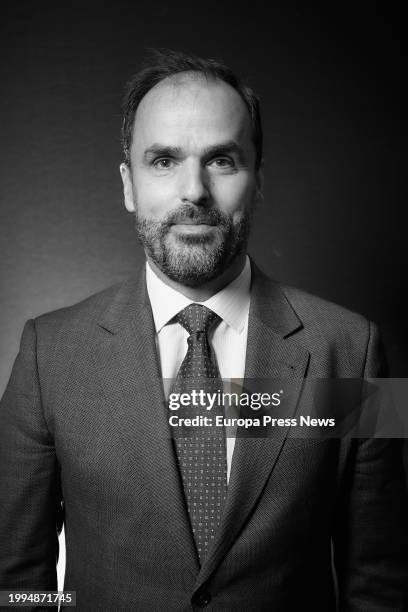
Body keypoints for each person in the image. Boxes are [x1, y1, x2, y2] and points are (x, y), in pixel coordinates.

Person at [0, 49, 407, 611]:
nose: (193, 191)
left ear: (257, 180)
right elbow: (16, 584)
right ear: (128, 185)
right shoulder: (48, 354)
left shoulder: (354, 349)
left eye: (221, 160)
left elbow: (382, 581)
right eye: (164, 160)